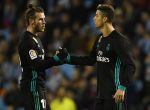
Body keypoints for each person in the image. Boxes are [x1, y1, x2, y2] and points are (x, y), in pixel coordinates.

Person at [62, 4, 136, 110]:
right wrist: (68, 58)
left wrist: (122, 88)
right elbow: (90, 59)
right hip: (100, 96)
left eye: (97, 15)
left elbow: (131, 65)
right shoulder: (99, 38)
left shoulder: (119, 40)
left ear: (105, 18)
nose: (93, 18)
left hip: (115, 95)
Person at [18, 4, 68, 110]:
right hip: (32, 86)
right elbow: (37, 65)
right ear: (32, 21)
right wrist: (55, 59)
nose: (44, 22)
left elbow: (43, 59)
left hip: (39, 85)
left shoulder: (35, 39)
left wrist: (58, 59)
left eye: (44, 19)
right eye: (41, 19)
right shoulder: (27, 41)